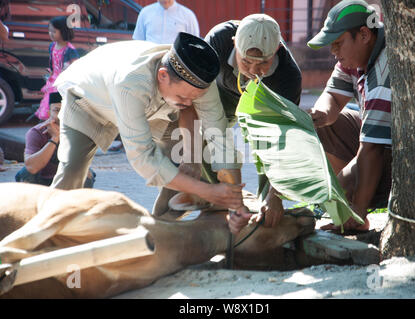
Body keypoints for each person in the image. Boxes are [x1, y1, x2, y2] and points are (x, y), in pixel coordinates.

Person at [51, 32, 246, 217]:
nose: (188, 103)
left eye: (193, 98)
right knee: (72, 170)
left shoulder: (199, 80)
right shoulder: (131, 82)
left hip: (153, 109)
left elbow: (217, 132)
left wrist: (234, 197)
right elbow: (143, 158)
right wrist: (207, 191)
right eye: (182, 96)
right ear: (163, 75)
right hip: (89, 103)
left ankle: (162, 226)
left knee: (182, 161)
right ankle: (44, 226)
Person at [203, 14, 302, 232]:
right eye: (246, 62)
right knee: (202, 134)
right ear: (233, 44)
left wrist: (275, 195)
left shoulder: (288, 78)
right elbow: (196, 99)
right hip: (221, 96)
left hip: (265, 102)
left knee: (269, 143)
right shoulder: (217, 43)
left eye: (263, 64)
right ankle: (221, 202)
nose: (254, 71)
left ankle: (264, 208)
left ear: (276, 50)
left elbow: (285, 141)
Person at [307, 0, 391, 232]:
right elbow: (332, 97)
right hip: (373, 139)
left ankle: (355, 212)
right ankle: (347, 201)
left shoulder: (383, 78)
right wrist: (320, 114)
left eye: (338, 44)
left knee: (339, 187)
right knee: (320, 124)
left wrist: (356, 208)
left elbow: (373, 149)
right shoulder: (356, 56)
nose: (333, 52)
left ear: (364, 35)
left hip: (396, 153)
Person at [15, 92, 95, 187]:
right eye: (57, 110)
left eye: (65, 111)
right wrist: (54, 138)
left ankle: (75, 201)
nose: (62, 115)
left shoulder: (79, 132)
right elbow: (32, 168)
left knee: (86, 174)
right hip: (40, 181)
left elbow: (79, 163)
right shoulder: (36, 132)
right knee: (25, 174)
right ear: (49, 112)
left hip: (66, 180)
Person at [35, 16, 79, 121]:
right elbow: (53, 64)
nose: (50, 33)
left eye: (54, 31)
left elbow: (75, 68)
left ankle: (57, 132)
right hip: (53, 81)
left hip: (63, 83)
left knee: (58, 110)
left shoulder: (70, 50)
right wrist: (50, 73)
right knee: (49, 109)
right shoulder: (52, 46)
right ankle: (51, 131)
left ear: (63, 31)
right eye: (49, 31)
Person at [133, 0, 199, 44]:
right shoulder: (145, 13)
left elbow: (194, 43)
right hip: (150, 61)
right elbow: (138, 41)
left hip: (175, 61)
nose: (165, 1)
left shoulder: (188, 15)